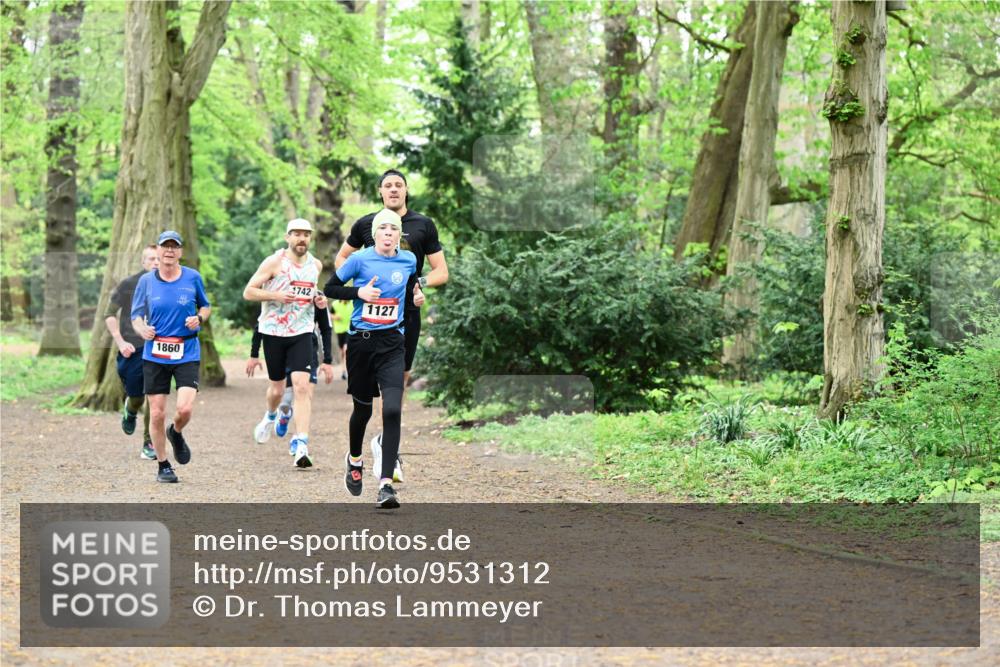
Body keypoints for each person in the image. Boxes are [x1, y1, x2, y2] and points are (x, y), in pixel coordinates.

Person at [333, 169, 449, 482]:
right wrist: (356, 290)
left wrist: (417, 284)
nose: (394, 190)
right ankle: (369, 450)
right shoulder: (366, 224)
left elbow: (441, 272)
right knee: (367, 398)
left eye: (399, 185)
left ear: (406, 190)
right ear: (380, 191)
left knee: (398, 385)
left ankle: (387, 447)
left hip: (406, 317)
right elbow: (341, 260)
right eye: (388, 185)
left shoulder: (423, 225)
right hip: (369, 323)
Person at [325, 208, 425, 509]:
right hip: (361, 344)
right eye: (383, 229)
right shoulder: (359, 259)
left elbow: (411, 291)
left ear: (398, 235)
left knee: (392, 410)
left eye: (393, 230)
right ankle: (355, 459)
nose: (388, 234)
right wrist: (359, 293)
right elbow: (330, 288)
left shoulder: (408, 260)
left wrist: (417, 299)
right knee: (363, 410)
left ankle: (385, 485)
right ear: (375, 234)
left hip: (393, 343)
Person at [243, 218, 330, 467]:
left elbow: (311, 293)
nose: (301, 238)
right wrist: (276, 295)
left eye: (306, 234)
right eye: (297, 234)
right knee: (278, 390)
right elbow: (248, 292)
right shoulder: (274, 262)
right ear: (287, 237)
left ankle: (301, 442)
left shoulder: (315, 265)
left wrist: (318, 300)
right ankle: (271, 415)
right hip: (273, 332)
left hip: (301, 332)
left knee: (302, 386)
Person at [130, 231, 211, 483]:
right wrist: (142, 328)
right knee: (155, 413)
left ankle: (175, 432)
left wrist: (198, 318)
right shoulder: (146, 281)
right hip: (155, 353)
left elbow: (206, 307)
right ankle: (163, 465)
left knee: (185, 409)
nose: (169, 251)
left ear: (180, 252)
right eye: (165, 246)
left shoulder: (192, 277)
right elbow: (136, 316)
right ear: (159, 251)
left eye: (174, 247)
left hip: (186, 350)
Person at [105, 244, 159, 460]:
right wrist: (120, 342)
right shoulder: (128, 284)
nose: (155, 262)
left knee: (154, 397)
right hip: (133, 348)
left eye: (158, 259)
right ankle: (130, 407)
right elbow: (109, 314)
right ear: (143, 262)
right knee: (137, 396)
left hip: (158, 348)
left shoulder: (170, 284)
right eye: (151, 259)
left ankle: (149, 443)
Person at [246, 306, 334, 437]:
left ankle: (298, 439)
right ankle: (279, 414)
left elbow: (326, 328)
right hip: (281, 348)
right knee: (281, 396)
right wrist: (254, 354)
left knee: (305, 392)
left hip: (307, 349)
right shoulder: (277, 290)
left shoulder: (316, 297)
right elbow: (262, 323)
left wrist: (327, 360)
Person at [331, 296, 352, 380]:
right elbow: (329, 315)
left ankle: (347, 370)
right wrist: (335, 317)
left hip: (349, 329)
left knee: (346, 349)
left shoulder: (352, 303)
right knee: (342, 352)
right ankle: (343, 371)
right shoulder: (335, 304)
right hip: (339, 330)